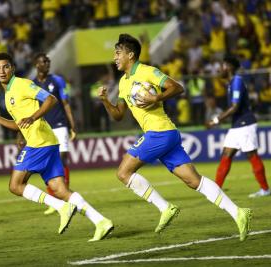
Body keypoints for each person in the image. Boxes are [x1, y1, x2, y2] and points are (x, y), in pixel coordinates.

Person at [98, 34, 251, 241]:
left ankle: (165, 208)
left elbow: (178, 87)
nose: (115, 57)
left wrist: (156, 97)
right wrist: (106, 100)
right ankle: (238, 213)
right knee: (193, 181)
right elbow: (118, 115)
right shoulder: (124, 83)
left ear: (130, 55)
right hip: (167, 134)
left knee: (123, 172)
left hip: (158, 132)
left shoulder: (148, 71)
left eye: (118, 53)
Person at [0, 52, 113, 241]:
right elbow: (18, 124)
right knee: (60, 189)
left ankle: (61, 207)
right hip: (46, 141)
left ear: (13, 68)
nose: (2, 71)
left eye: (5, 66)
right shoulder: (9, 92)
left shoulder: (22, 84)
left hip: (39, 142)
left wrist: (33, 117)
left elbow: (51, 99)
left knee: (15, 185)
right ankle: (101, 221)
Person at [207, 55, 271, 198]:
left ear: (229, 67)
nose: (220, 69)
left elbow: (235, 107)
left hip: (245, 124)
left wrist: (216, 120)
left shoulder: (237, 81)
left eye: (223, 65)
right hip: (237, 125)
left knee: (251, 155)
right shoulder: (231, 83)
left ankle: (265, 189)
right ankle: (216, 190)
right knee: (226, 154)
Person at [30, 52, 77, 215]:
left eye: (48, 61)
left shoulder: (57, 80)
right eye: (43, 61)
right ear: (36, 64)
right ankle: (54, 199)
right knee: (48, 163)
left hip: (59, 124)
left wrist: (72, 125)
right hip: (44, 127)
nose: (47, 64)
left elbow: (65, 103)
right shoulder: (32, 84)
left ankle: (65, 196)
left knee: (63, 159)